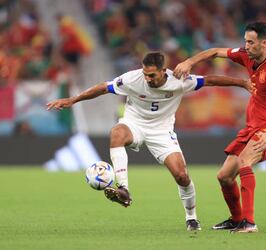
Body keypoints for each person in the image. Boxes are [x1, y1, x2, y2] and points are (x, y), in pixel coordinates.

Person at [46, 51, 250, 231]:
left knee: (181, 176)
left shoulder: (179, 80)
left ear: (164, 71)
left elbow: (210, 80)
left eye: (152, 75)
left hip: (162, 132)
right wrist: (72, 100)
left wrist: (241, 83)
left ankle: (191, 218)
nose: (148, 79)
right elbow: (103, 88)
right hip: (134, 124)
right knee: (117, 133)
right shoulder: (132, 79)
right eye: (145, 74)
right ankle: (123, 188)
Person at [174, 22, 266, 233]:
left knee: (245, 161)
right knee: (224, 176)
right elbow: (214, 52)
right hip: (253, 127)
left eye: (251, 42)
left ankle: (249, 223)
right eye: (245, 41)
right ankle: (237, 219)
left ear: (264, 43)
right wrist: (189, 61)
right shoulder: (246, 55)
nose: (246, 46)